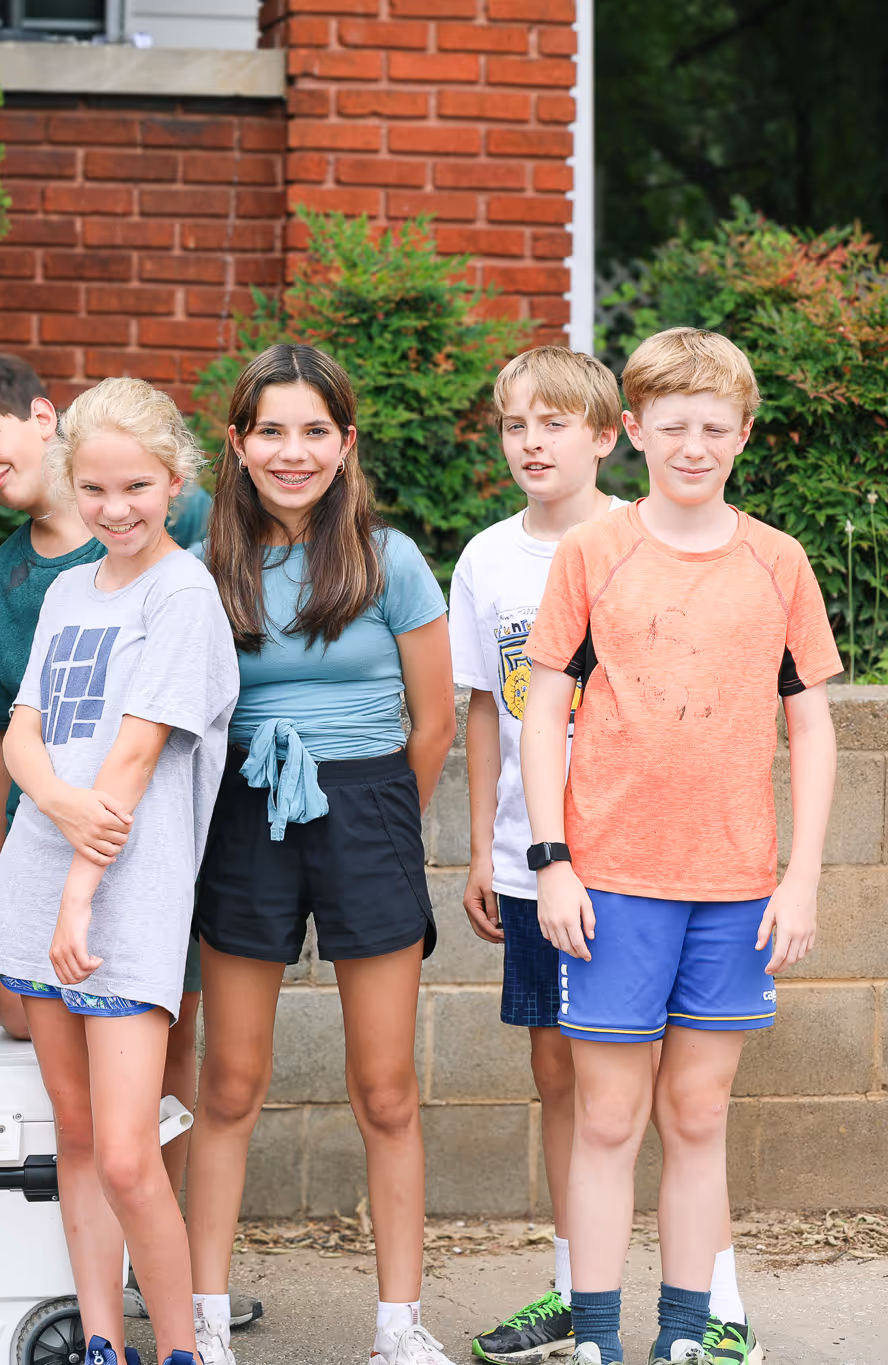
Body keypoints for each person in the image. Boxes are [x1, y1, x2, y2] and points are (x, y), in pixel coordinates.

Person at [521, 328, 836, 1365]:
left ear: (742, 435)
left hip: (735, 888)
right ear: (632, 434)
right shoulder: (589, 555)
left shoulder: (776, 562)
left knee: (697, 1118)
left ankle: (684, 1340)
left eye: (713, 427)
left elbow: (810, 727)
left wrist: (796, 880)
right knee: (606, 1125)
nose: (691, 445)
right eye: (671, 427)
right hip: (609, 885)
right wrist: (550, 857)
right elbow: (541, 713)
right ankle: (601, 1343)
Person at [0, 355, 262, 1331]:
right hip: (43, 874)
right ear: (69, 481)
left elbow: (131, 758)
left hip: (124, 894)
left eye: (135, 488)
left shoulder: (182, 595)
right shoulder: (69, 591)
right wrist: (55, 810)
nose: (114, 509)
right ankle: (101, 1342)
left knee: (125, 1153)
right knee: (73, 1140)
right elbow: (21, 731)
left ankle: (177, 1346)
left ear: (175, 483)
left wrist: (78, 881)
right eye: (94, 489)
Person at [187, 344, 457, 1365]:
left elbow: (432, 722)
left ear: (344, 443)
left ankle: (397, 1324)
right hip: (243, 811)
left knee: (383, 1087)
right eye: (269, 431)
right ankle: (202, 1318)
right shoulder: (206, 561)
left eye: (312, 432)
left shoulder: (389, 559)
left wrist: (379, 825)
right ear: (238, 443)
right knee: (229, 1082)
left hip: (365, 806)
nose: (290, 452)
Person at [450, 347, 635, 1364]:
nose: (531, 442)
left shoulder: (636, 540)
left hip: (629, 857)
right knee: (554, 1075)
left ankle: (681, 1296)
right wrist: (485, 845)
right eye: (515, 424)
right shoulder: (484, 559)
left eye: (554, 424)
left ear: (604, 436)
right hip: (531, 863)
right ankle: (570, 1292)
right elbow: (484, 710)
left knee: (643, 1085)